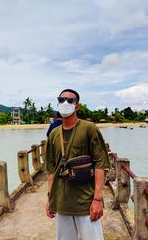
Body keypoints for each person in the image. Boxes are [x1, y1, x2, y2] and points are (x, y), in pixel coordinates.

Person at [45, 88, 110, 240]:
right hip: (61, 202)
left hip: (85, 201)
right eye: (61, 100)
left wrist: (98, 199)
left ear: (77, 106)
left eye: (70, 100)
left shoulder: (89, 128)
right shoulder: (54, 134)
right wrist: (50, 199)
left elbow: (100, 163)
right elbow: (51, 170)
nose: (65, 103)